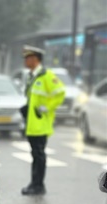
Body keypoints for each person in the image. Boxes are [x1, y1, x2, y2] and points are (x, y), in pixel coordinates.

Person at [20, 45, 65, 195]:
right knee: (35, 154)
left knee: (39, 154)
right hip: (32, 123)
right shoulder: (32, 76)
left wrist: (48, 107)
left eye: (28, 58)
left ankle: (38, 185)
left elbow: (60, 93)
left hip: (41, 123)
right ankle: (35, 183)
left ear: (35, 59)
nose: (25, 61)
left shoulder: (46, 75)